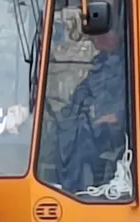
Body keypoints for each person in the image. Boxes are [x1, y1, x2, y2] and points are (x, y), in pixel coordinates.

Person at [44, 25, 131, 200]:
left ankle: (75, 190)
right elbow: (85, 90)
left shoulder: (132, 63)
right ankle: (61, 185)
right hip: (97, 121)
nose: (94, 40)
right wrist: (72, 108)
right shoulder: (102, 63)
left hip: (118, 129)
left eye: (101, 35)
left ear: (115, 35)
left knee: (81, 135)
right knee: (65, 128)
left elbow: (135, 100)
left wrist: (115, 116)